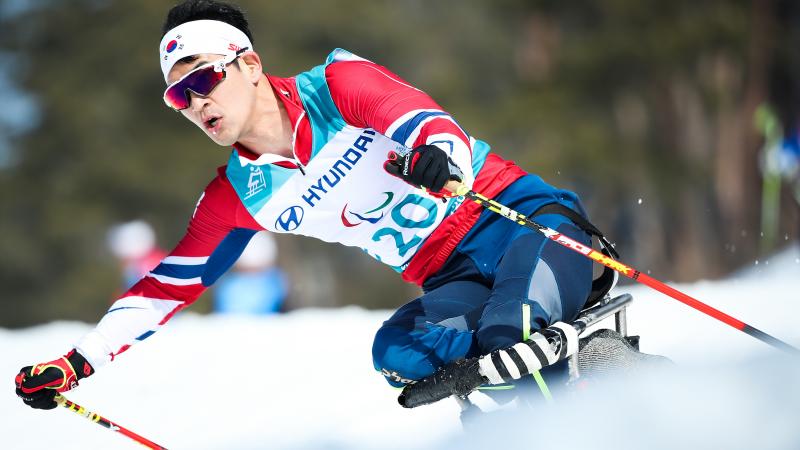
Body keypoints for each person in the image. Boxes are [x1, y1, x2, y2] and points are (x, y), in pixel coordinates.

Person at [15, 0, 603, 410]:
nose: (195, 103)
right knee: (397, 354)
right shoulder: (238, 196)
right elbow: (165, 288)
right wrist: (77, 363)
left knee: (509, 332)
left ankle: (578, 406)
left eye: (203, 81)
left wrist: (435, 156)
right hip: (452, 275)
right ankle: (560, 382)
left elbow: (424, 120)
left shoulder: (337, 85)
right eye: (178, 95)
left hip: (517, 221)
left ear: (248, 64)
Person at [213, 231, 288, 314]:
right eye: (248, 269)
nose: (253, 274)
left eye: (258, 269)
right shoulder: (229, 286)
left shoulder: (274, 283)